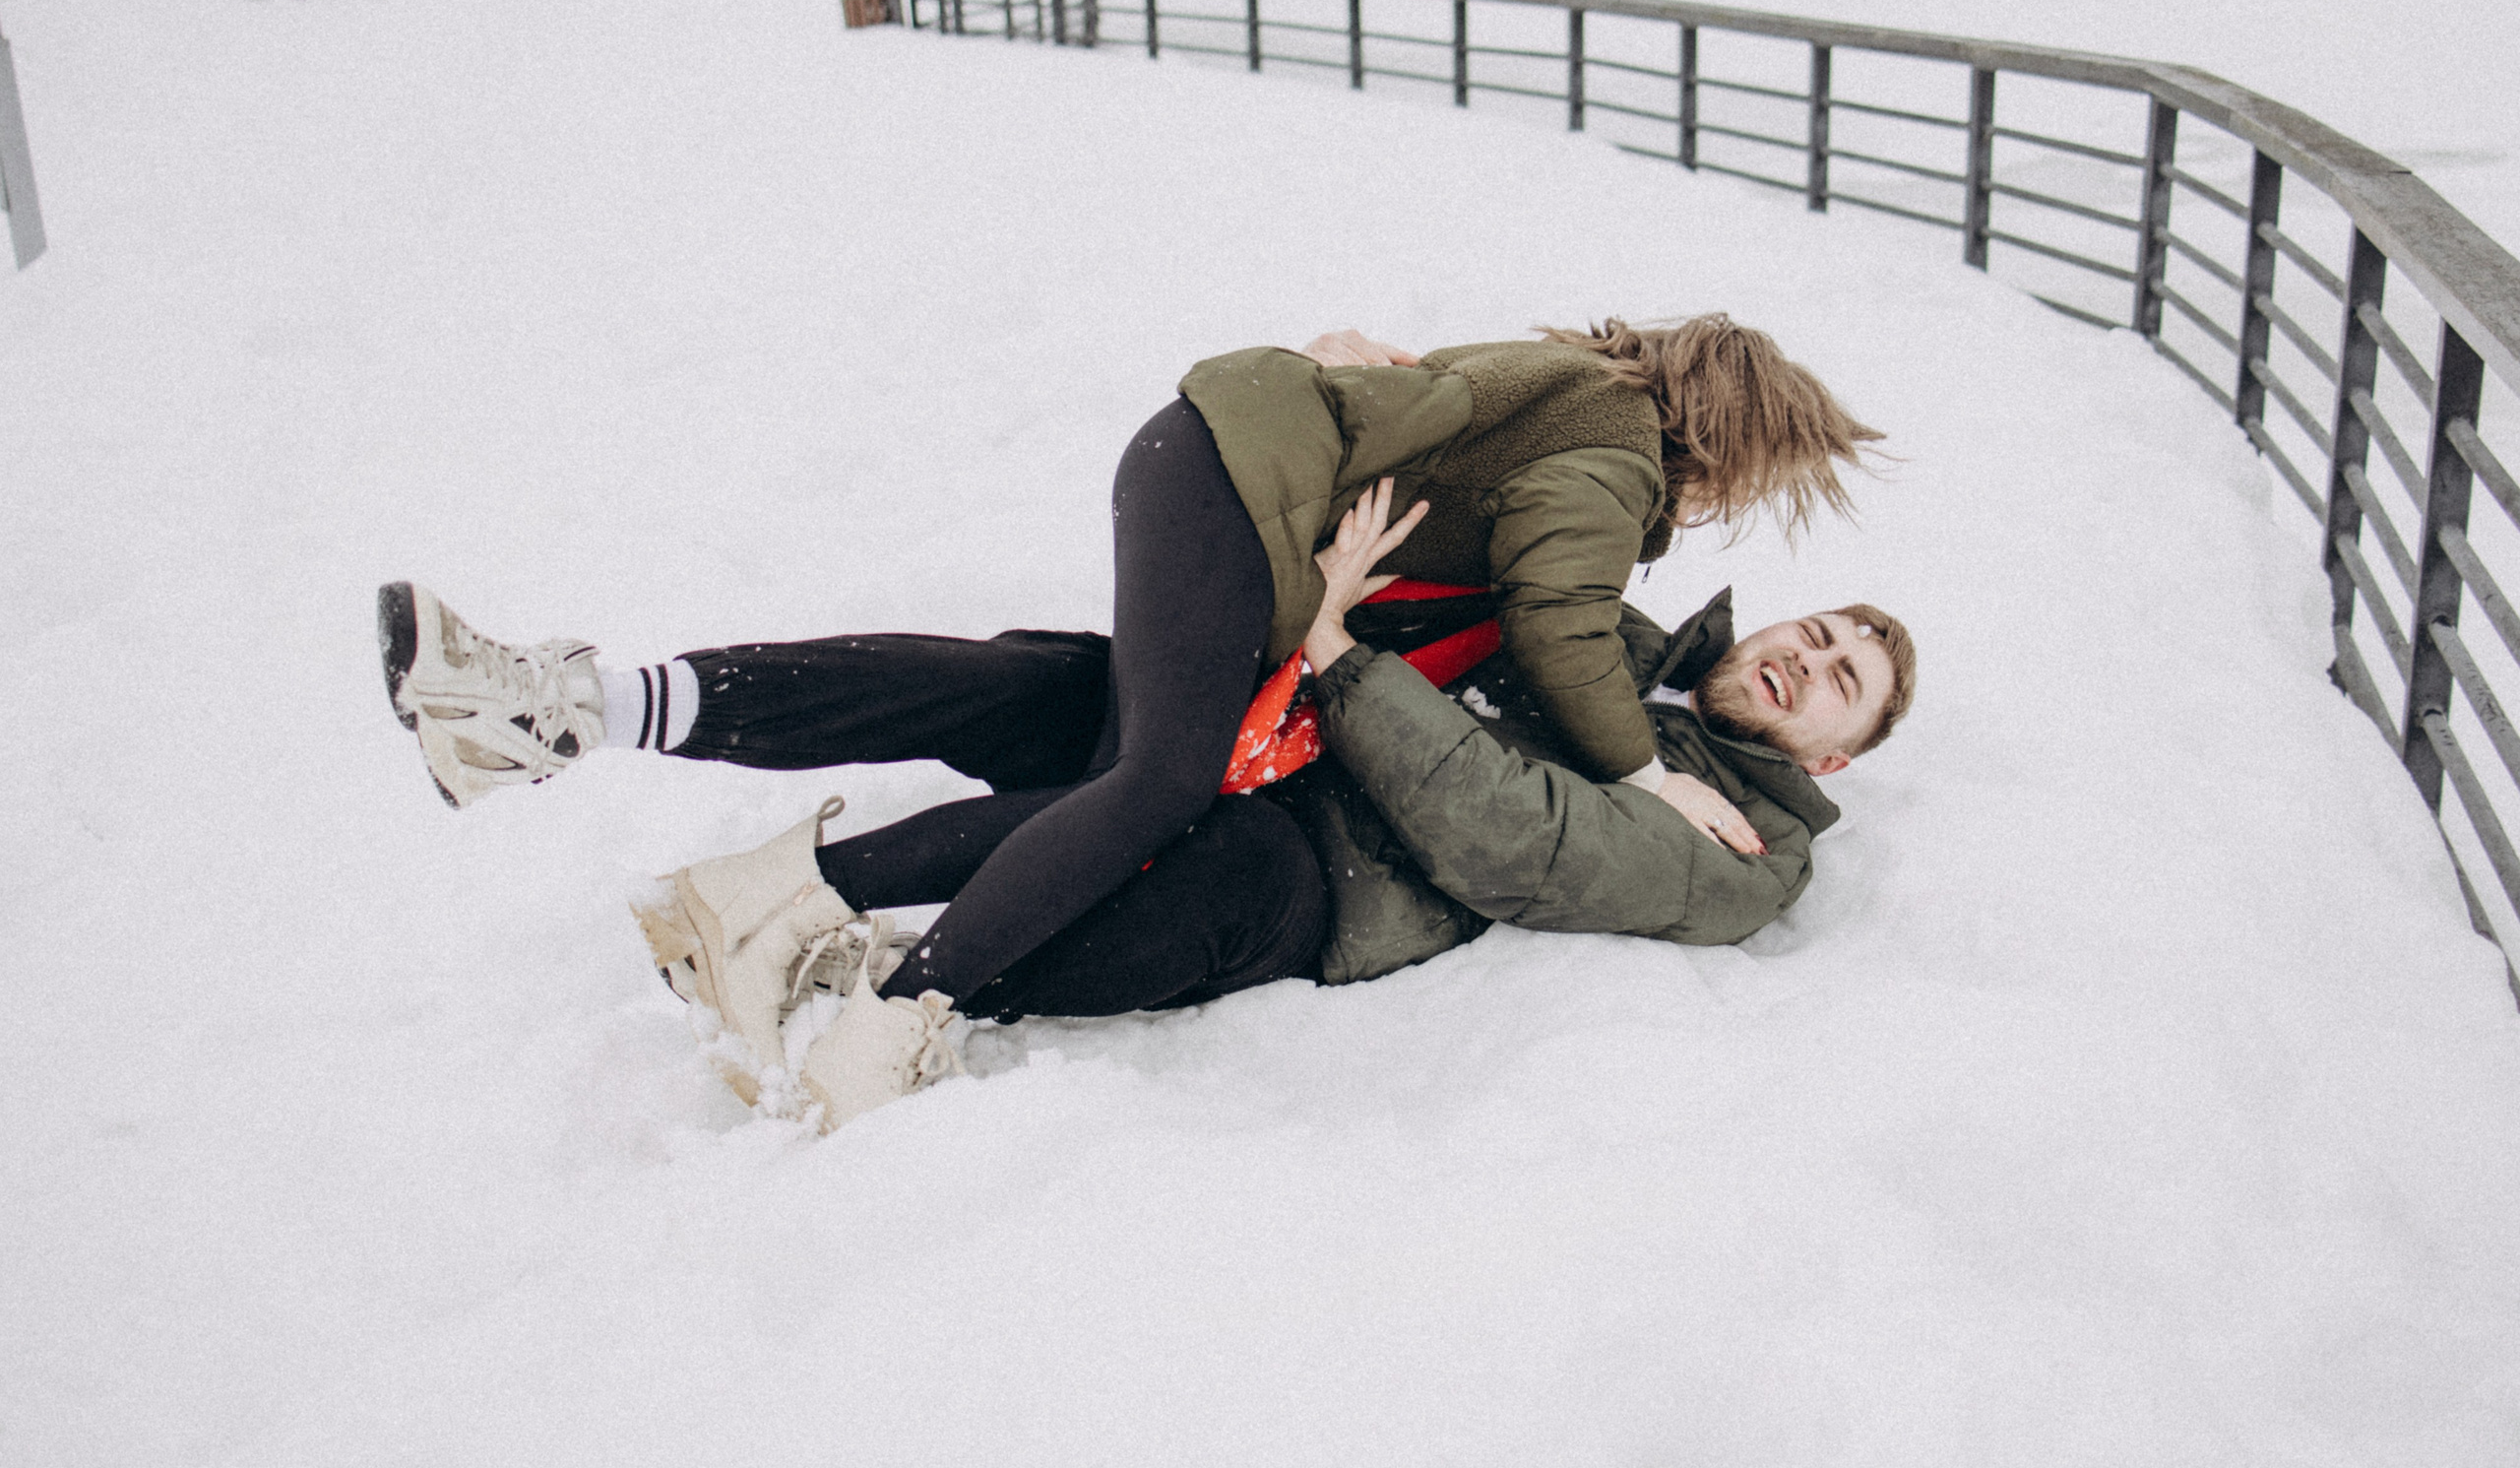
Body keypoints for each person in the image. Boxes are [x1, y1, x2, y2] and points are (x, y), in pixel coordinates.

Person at [379, 479, 1917, 1133]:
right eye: (1820, 628)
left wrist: (1337, 669)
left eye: (1844, 677)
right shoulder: (1625, 644)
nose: (1808, 657)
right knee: (1020, 682)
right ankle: (579, 709)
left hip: (1318, 869)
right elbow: (1493, 539)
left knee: (1159, 837)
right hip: (1270, 719)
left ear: (1834, 756)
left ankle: (829, 947)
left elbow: (1508, 838)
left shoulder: (1751, 853)